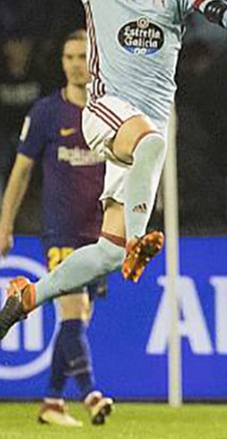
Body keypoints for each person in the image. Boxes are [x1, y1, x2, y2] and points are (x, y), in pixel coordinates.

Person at [0, 0, 227, 339]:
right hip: (108, 111)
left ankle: (27, 297)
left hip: (149, 131)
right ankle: (140, 242)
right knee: (147, 147)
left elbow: (217, 7)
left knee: (107, 251)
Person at [0, 31, 114, 427]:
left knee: (77, 322)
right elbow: (21, 173)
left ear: (95, 60)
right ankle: (92, 395)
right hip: (61, 230)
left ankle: (51, 402)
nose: (75, 64)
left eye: (83, 56)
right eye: (68, 57)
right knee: (73, 308)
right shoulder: (47, 112)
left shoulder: (110, 113)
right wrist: (5, 223)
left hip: (101, 235)